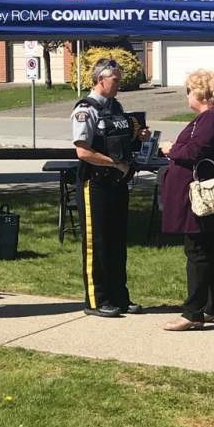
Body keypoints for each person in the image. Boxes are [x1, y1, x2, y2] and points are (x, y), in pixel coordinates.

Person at [159, 69, 214, 329]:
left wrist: (171, 149)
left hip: (201, 198)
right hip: (211, 196)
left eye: (189, 90)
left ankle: (193, 312)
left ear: (201, 92)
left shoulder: (210, 118)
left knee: (198, 252)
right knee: (211, 251)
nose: (187, 95)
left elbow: (196, 151)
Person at [71, 57, 143, 318]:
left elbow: (119, 140)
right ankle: (96, 300)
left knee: (116, 242)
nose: (119, 84)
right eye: (115, 80)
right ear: (101, 79)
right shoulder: (85, 109)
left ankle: (119, 297)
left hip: (117, 183)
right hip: (95, 184)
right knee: (97, 243)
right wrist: (114, 164)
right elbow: (82, 151)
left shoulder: (117, 107)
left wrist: (138, 137)